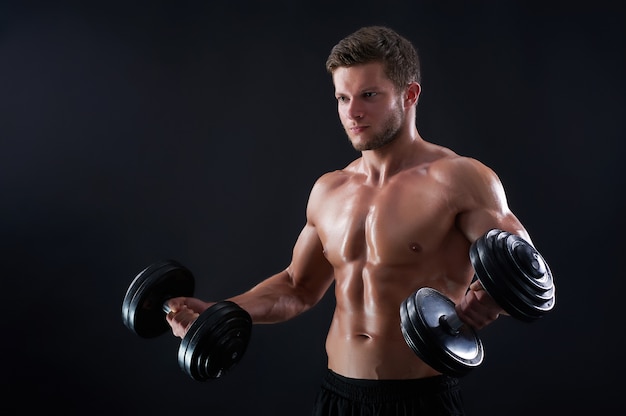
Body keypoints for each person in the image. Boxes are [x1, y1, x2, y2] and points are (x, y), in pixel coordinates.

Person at [165, 26, 535, 415]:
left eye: (368, 96)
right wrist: (221, 311)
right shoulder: (329, 190)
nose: (352, 112)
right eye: (342, 97)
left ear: (409, 95)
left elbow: (525, 271)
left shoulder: (460, 179)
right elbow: (297, 287)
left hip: (421, 400)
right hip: (337, 397)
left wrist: (491, 301)